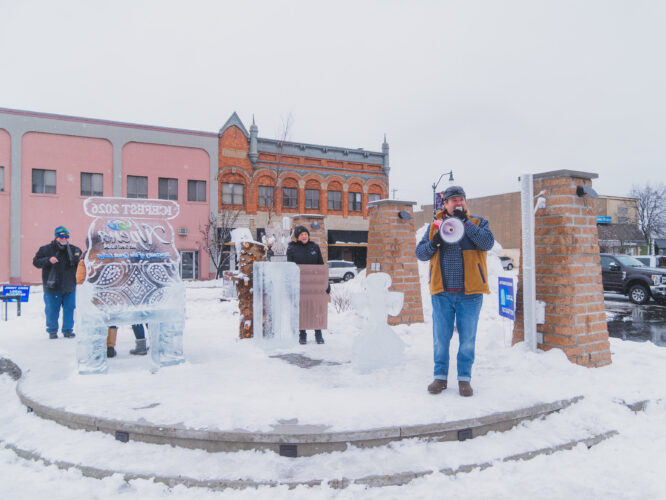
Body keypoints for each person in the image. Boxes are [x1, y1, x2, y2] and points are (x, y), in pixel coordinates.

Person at [415, 186, 494, 397]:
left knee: (467, 339)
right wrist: (434, 243)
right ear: (446, 204)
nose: (459, 203)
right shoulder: (435, 225)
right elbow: (420, 253)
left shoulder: (477, 222)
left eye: (461, 199)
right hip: (442, 293)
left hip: (470, 294)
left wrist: (465, 222)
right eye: (454, 200)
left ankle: (464, 379)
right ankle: (440, 377)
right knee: (441, 339)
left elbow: (487, 243)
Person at [33, 226, 83, 339]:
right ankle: (52, 331)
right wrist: (48, 260)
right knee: (52, 310)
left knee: (70, 309)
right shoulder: (45, 249)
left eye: (66, 236)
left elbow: (82, 265)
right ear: (56, 237)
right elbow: (36, 262)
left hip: (70, 286)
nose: (64, 238)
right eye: (61, 236)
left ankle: (68, 330)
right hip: (52, 286)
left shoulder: (75, 250)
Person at [286, 225, 329, 344]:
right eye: (301, 235)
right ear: (297, 237)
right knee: (302, 309)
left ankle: (318, 333)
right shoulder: (292, 249)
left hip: (314, 284)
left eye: (305, 234)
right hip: (300, 284)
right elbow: (290, 268)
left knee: (316, 308)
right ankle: (302, 334)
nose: (304, 236)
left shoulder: (314, 247)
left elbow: (320, 265)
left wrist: (326, 282)